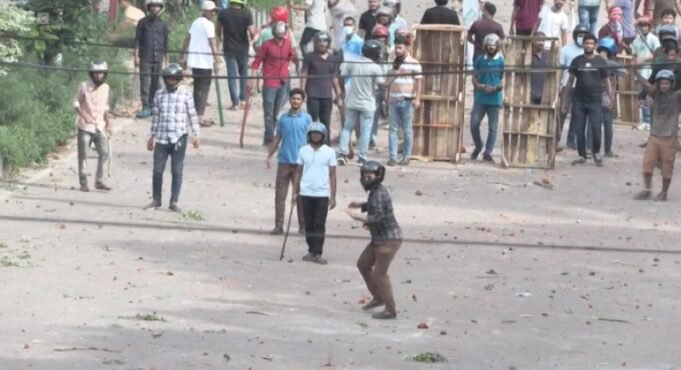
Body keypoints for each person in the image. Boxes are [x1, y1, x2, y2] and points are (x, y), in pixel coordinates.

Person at [346, 160, 403, 320]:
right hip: (379, 239)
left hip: (388, 240)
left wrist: (359, 217)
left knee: (380, 273)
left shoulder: (379, 192)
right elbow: (375, 205)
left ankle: (390, 310)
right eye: (364, 176)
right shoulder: (376, 192)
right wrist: (361, 205)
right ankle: (378, 297)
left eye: (369, 176)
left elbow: (377, 216)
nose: (366, 179)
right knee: (363, 264)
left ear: (378, 176)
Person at [146, 63, 200, 212]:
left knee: (177, 170)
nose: (170, 82)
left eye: (172, 79)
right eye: (167, 79)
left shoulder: (186, 94)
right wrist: (152, 136)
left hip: (179, 138)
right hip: (162, 139)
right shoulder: (159, 94)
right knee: (157, 170)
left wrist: (196, 134)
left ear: (178, 79)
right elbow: (156, 117)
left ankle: (174, 201)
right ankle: (156, 200)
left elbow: (192, 114)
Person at [561, 33, 613, 167]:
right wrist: (565, 100)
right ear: (583, 45)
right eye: (586, 43)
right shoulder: (577, 61)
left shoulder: (601, 62)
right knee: (579, 129)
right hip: (579, 100)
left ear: (595, 46)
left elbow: (606, 82)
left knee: (596, 128)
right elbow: (570, 81)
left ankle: (596, 152)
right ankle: (582, 155)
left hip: (595, 100)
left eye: (591, 43)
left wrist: (611, 99)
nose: (588, 45)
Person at [266, 88, 312, 235]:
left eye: (298, 99)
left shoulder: (307, 119)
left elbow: (313, 139)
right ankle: (278, 226)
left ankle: (303, 226)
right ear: (290, 100)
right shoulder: (283, 119)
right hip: (284, 161)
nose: (295, 101)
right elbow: (277, 137)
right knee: (280, 196)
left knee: (300, 196)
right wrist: (269, 155)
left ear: (302, 101)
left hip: (301, 163)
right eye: (293, 98)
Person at [292, 122, 337, 265]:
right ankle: (311, 249)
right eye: (313, 133)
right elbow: (298, 171)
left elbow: (333, 175)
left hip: (322, 194)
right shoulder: (303, 151)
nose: (315, 136)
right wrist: (295, 191)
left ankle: (318, 252)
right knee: (308, 223)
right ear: (309, 135)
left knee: (319, 223)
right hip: (305, 193)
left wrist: (333, 195)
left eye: (318, 134)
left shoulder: (329, 152)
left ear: (323, 136)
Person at [634, 69, 681, 201]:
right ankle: (647, 190)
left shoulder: (677, 97)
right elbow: (646, 85)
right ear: (658, 84)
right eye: (662, 83)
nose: (664, 86)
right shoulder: (655, 94)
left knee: (667, 169)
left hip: (669, 138)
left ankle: (664, 193)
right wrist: (635, 72)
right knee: (647, 167)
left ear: (672, 84)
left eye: (667, 83)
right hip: (654, 137)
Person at [338, 40, 385, 165]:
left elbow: (341, 77)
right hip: (368, 103)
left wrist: (342, 91)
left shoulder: (353, 62)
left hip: (352, 101)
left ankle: (342, 153)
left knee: (347, 128)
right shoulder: (376, 67)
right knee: (366, 131)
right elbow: (381, 85)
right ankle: (362, 157)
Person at [251, 21, 298, 146]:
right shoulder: (267, 45)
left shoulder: (288, 44)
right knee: (268, 112)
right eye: (279, 34)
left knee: (276, 112)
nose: (281, 36)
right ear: (274, 33)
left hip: (283, 81)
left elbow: (290, 56)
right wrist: (251, 80)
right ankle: (269, 138)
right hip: (270, 82)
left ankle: (274, 136)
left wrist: (290, 67)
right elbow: (256, 62)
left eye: (283, 33)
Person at [74, 60, 112, 193]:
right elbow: (76, 103)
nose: (98, 76)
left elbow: (106, 107)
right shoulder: (84, 86)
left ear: (105, 74)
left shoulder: (106, 88)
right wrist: (83, 115)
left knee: (104, 152)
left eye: (101, 73)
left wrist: (109, 123)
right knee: (83, 155)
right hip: (86, 127)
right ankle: (83, 182)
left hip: (100, 126)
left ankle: (99, 180)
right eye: (95, 73)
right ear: (91, 74)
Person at [181, 1, 221, 127]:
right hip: (205, 62)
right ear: (206, 11)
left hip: (195, 61)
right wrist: (217, 59)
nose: (214, 13)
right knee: (204, 90)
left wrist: (182, 54)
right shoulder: (209, 25)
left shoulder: (195, 22)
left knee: (197, 88)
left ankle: (195, 114)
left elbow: (187, 39)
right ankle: (199, 116)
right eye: (212, 11)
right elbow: (212, 43)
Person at [385, 34, 422, 167]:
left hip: (407, 100)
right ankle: (393, 157)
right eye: (396, 48)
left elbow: (418, 83)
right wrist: (386, 93)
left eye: (400, 47)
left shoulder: (414, 64)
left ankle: (406, 156)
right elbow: (387, 81)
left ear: (407, 48)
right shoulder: (394, 63)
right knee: (393, 130)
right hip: (393, 99)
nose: (397, 50)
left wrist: (417, 98)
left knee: (407, 130)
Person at [301, 32, 343, 143]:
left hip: (327, 95)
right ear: (315, 43)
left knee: (326, 122)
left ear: (328, 43)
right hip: (313, 94)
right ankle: (311, 144)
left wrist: (338, 92)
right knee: (312, 122)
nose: (322, 44)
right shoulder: (309, 57)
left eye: (324, 41)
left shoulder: (332, 58)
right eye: (319, 41)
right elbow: (304, 74)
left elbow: (334, 76)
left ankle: (326, 145)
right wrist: (301, 91)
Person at [470, 33, 504, 163]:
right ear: (485, 46)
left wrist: (496, 88)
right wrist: (480, 86)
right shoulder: (480, 60)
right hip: (480, 98)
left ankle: (488, 152)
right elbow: (474, 76)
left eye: (493, 45)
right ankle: (478, 145)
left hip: (495, 99)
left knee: (493, 127)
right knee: (474, 124)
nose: (491, 47)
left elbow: (503, 79)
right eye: (489, 45)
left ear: (497, 46)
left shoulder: (501, 61)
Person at [217, 0, 256, 110]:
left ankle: (235, 103)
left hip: (229, 48)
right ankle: (243, 100)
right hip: (243, 48)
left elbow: (218, 29)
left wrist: (220, 38)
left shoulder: (223, 13)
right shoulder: (247, 13)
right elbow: (251, 31)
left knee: (232, 76)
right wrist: (253, 38)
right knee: (243, 74)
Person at [134, 0, 169, 119]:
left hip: (158, 57)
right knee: (145, 83)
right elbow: (137, 40)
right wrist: (135, 56)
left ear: (160, 8)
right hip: (145, 57)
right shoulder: (142, 23)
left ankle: (154, 105)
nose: (155, 8)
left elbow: (165, 43)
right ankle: (145, 107)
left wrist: (166, 59)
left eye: (157, 6)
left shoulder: (163, 24)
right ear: (149, 8)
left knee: (156, 82)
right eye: (152, 6)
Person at [556, 24, 588, 151]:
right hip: (567, 86)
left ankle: (571, 140)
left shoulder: (588, 50)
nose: (582, 38)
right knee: (562, 113)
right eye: (580, 35)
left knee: (577, 114)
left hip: (582, 87)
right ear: (575, 36)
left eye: (584, 36)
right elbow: (560, 70)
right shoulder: (566, 50)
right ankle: (556, 140)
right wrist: (558, 86)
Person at [596, 36, 623, 157]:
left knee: (593, 124)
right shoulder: (612, 63)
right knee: (608, 125)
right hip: (607, 96)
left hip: (594, 95)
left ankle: (590, 150)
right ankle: (607, 150)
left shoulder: (593, 60)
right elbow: (624, 73)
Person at [632, 16, 660, 130]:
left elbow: (657, 54)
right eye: (641, 26)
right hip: (640, 73)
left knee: (653, 96)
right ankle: (645, 120)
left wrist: (644, 60)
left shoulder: (654, 39)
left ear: (649, 27)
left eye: (645, 26)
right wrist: (634, 64)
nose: (643, 28)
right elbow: (634, 56)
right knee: (642, 97)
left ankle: (654, 120)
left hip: (651, 72)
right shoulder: (636, 41)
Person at [530, 32, 549, 105]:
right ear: (533, 41)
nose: (541, 43)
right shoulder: (528, 55)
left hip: (545, 93)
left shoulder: (548, 54)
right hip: (530, 93)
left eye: (543, 40)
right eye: (538, 40)